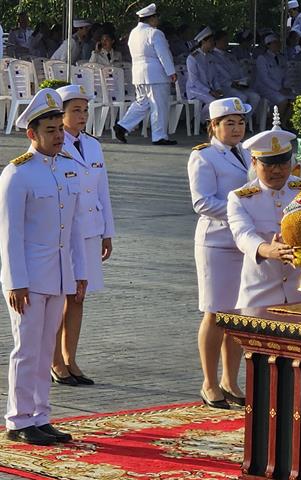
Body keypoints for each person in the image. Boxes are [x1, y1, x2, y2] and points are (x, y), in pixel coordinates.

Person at [0, 88, 87, 446]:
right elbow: (9, 235)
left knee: (45, 345)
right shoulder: (17, 174)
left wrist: (79, 273)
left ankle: (41, 415)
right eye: (49, 130)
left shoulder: (68, 168)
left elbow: (77, 228)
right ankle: (18, 418)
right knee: (27, 348)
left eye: (59, 128)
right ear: (31, 134)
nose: (57, 136)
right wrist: (14, 282)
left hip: (60, 273)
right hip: (29, 278)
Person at [188, 97, 253, 410]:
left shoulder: (247, 152)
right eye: (229, 123)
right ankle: (209, 382)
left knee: (238, 314)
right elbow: (202, 202)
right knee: (214, 313)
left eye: (240, 122)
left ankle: (230, 380)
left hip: (243, 241)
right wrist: (238, 209)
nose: (237, 128)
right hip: (215, 242)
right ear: (213, 126)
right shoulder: (204, 157)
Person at [49, 85, 115, 387]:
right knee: (61, 295)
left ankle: (71, 358)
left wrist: (107, 232)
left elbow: (103, 191)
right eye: (76, 110)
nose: (82, 115)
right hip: (65, 232)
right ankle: (54, 360)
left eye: (85, 110)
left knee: (79, 296)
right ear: (61, 114)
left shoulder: (92, 144)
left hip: (90, 229)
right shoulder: (54, 145)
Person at [227, 120, 301, 309]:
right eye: (268, 164)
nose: (277, 170)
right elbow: (243, 235)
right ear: (254, 162)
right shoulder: (240, 198)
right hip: (259, 295)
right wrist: (268, 250)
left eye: (283, 163)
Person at [114, 3, 177, 146]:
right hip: (155, 74)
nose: (157, 21)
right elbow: (163, 54)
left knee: (142, 103)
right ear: (152, 18)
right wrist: (171, 72)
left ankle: (122, 126)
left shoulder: (133, 33)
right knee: (159, 105)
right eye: (156, 18)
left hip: (138, 73)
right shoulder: (155, 33)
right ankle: (159, 136)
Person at [211, 30, 260, 116]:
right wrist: (231, 84)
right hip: (224, 87)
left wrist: (243, 81)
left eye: (227, 40)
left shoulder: (230, 56)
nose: (227, 43)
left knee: (255, 97)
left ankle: (245, 122)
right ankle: (235, 122)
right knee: (241, 98)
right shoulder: (212, 57)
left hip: (238, 86)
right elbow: (215, 76)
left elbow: (239, 71)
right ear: (217, 41)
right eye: (224, 40)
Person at [187, 27, 224, 121]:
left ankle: (205, 121)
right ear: (203, 41)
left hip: (209, 89)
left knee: (223, 100)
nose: (213, 44)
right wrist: (210, 91)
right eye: (210, 41)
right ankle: (199, 121)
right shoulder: (193, 58)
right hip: (194, 89)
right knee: (213, 101)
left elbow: (215, 77)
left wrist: (218, 88)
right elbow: (194, 81)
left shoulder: (210, 57)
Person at [255, 35, 293, 126]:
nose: (278, 45)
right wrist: (279, 88)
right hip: (265, 88)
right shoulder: (262, 58)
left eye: (278, 43)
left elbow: (285, 74)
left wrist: (286, 86)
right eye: (275, 43)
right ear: (268, 45)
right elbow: (265, 78)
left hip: (280, 87)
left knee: (294, 100)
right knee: (282, 100)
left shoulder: (281, 58)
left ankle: (282, 123)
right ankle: (273, 125)